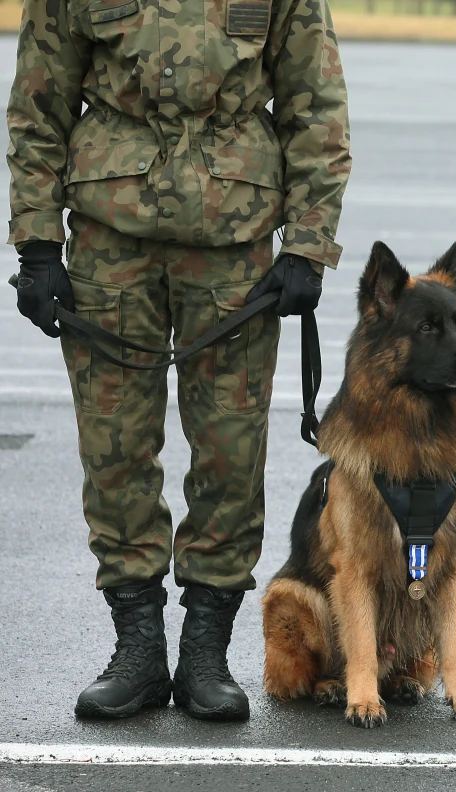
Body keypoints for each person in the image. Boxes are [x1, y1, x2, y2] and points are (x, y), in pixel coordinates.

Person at [8, 0, 351, 720]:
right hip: (107, 239)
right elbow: (39, 103)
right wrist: (36, 244)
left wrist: (308, 243)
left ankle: (205, 655)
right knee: (114, 451)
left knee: (231, 453)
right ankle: (137, 650)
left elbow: (315, 103)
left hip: (235, 248)